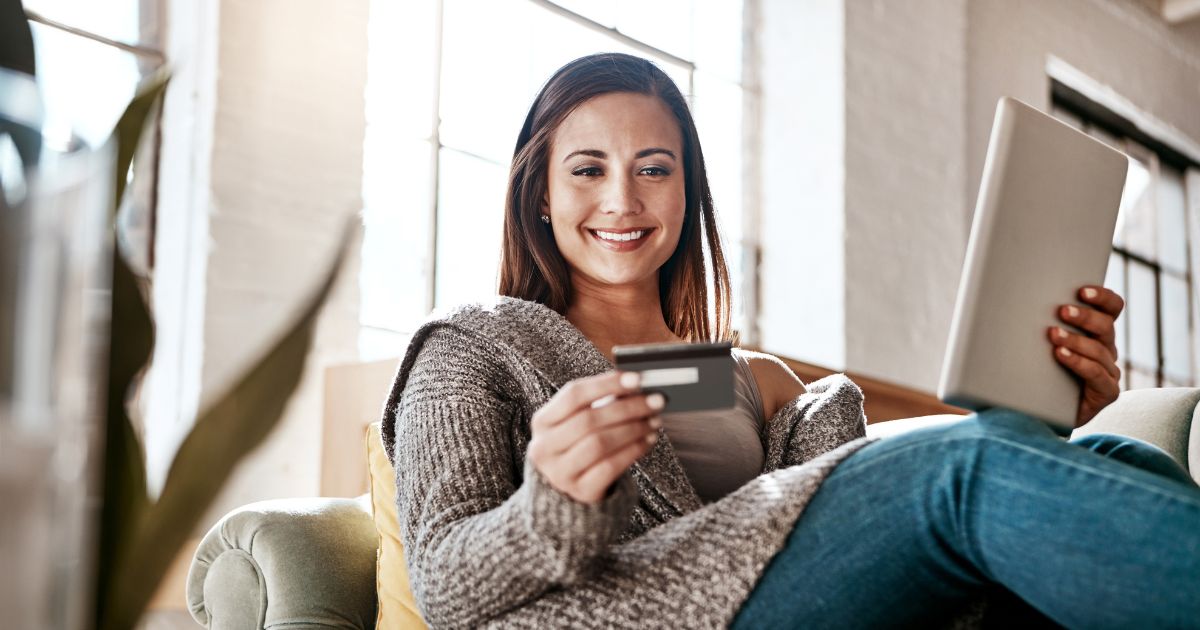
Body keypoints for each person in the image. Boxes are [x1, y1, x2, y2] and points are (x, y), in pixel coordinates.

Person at [380, 52, 1200, 629]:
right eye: (588, 170)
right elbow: (447, 585)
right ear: (542, 197)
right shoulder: (475, 348)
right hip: (612, 615)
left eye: (654, 168)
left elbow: (866, 545)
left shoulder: (758, 380)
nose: (623, 200)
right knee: (964, 465)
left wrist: (1046, 409)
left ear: (687, 190)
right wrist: (550, 504)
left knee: (1125, 462)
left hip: (789, 602)